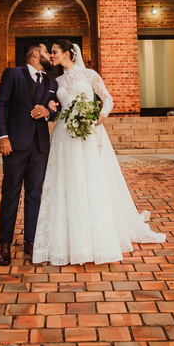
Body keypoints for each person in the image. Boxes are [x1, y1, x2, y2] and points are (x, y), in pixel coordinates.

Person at [32, 38, 166, 265]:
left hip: (88, 133)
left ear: (67, 54)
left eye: (54, 52)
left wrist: (98, 118)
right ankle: (67, 237)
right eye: (51, 52)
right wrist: (50, 108)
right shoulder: (57, 81)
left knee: (90, 179)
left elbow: (107, 99)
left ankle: (96, 237)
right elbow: (56, 106)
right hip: (64, 135)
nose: (51, 56)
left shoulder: (89, 75)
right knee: (66, 180)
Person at [0, 42, 59, 266]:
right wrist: (2, 136)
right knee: (10, 194)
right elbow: (0, 105)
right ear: (35, 54)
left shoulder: (51, 82)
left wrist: (47, 111)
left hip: (40, 146)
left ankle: (31, 241)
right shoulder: (13, 74)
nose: (50, 56)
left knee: (34, 195)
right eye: (47, 52)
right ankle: (4, 244)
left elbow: (56, 107)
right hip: (15, 144)